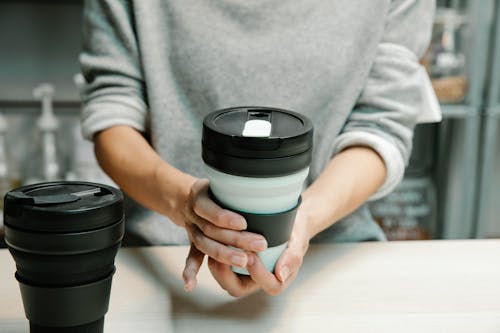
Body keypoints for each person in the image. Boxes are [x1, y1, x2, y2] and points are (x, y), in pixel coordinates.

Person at [80, 0, 436, 297]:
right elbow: (113, 110)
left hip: (332, 259)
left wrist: (300, 223)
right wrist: (183, 203)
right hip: (161, 264)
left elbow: (381, 124)